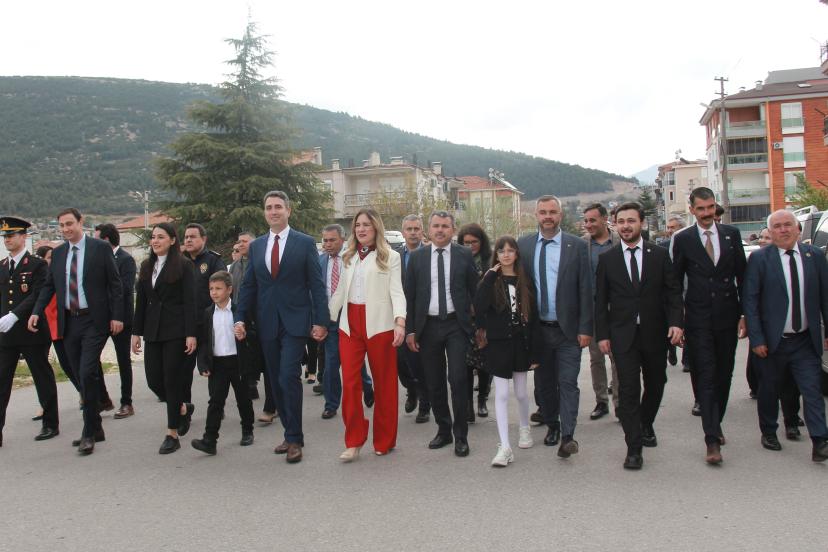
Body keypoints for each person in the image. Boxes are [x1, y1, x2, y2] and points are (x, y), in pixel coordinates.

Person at [234, 190, 328, 464]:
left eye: (278, 207)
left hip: (296, 321)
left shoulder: (304, 243)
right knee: (275, 381)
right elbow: (249, 285)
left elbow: (317, 285)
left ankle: (295, 439)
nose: (273, 211)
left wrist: (321, 321)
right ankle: (289, 433)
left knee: (288, 376)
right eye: (269, 207)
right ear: (264, 212)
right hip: (267, 322)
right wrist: (240, 318)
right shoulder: (257, 246)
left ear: (288, 211)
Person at [594, 203, 683, 470]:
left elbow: (673, 292)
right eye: (621, 221)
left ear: (641, 223)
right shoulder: (607, 259)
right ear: (615, 224)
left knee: (656, 383)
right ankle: (634, 448)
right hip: (623, 337)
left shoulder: (659, 255)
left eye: (631, 221)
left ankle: (646, 423)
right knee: (629, 390)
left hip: (655, 333)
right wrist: (603, 335)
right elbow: (601, 302)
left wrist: (676, 323)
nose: (626, 226)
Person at [30, 208, 124, 455]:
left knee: (86, 371)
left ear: (81, 222)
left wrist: (117, 315)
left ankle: (88, 432)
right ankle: (97, 427)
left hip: (94, 320)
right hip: (69, 322)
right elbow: (49, 286)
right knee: (78, 374)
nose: (66, 229)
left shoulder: (99, 249)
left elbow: (115, 284)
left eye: (69, 223)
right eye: (62, 225)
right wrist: (36, 312)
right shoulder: (59, 253)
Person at [743, 210, 828, 462]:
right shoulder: (760, 259)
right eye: (777, 226)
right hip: (773, 341)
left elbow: (826, 296)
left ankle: (820, 440)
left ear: (797, 229)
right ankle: (769, 431)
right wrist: (757, 339)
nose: (783, 230)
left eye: (788, 225)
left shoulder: (815, 256)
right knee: (769, 389)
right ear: (770, 232)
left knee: (812, 390)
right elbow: (750, 301)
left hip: (805, 340)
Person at [671, 187, 746, 465]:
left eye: (710, 207)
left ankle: (716, 422)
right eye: (701, 209)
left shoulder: (731, 235)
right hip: (698, 318)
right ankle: (711, 439)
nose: (706, 213)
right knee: (705, 374)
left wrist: (744, 314)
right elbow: (674, 283)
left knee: (724, 374)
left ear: (716, 207)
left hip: (727, 315)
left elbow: (743, 276)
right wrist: (677, 321)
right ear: (692, 210)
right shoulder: (684, 239)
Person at [518, 195, 592, 458]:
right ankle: (552, 424)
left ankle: (568, 436)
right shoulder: (524, 245)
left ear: (560, 215)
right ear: (536, 215)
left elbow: (586, 288)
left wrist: (586, 328)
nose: (547, 217)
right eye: (543, 212)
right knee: (544, 383)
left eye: (552, 212)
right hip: (538, 330)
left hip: (567, 330)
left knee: (568, 382)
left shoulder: (577, 246)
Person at [329, 209, 405, 461]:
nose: (361, 229)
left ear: (376, 228)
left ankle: (385, 440)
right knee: (350, 383)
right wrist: (325, 320)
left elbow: (397, 291)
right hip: (350, 324)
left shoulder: (391, 256)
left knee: (384, 384)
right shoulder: (348, 256)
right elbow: (340, 291)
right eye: (358, 225)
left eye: (366, 225)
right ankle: (354, 441)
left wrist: (400, 322)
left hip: (380, 325)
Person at [405, 210, 478, 457]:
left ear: (452, 229)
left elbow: (474, 291)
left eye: (445, 226)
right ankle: (444, 430)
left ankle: (461, 436)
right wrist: (411, 330)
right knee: (434, 382)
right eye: (436, 226)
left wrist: (479, 326)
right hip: (428, 327)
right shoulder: (417, 258)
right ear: (429, 229)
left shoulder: (464, 254)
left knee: (457, 380)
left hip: (456, 325)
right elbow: (410, 296)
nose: (440, 230)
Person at [131, 223, 197, 454]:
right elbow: (141, 302)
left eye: (161, 237)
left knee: (171, 380)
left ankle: (172, 433)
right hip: (153, 330)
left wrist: (191, 333)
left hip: (176, 330)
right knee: (153, 380)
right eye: (153, 237)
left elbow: (190, 301)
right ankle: (181, 407)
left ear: (172, 240)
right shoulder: (147, 266)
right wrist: (136, 332)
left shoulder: (184, 265)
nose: (156, 241)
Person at [474, 236, 537, 467]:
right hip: (498, 344)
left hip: (521, 343)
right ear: (496, 254)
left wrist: (535, 352)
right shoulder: (490, 280)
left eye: (511, 250)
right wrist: (489, 277)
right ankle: (505, 446)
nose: (506, 254)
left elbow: (534, 317)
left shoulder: (525, 279)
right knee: (501, 394)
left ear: (517, 254)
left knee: (520, 392)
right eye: (502, 251)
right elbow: (479, 306)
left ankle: (524, 427)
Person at [0, 217, 59, 446]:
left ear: (24, 237)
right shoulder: (2, 266)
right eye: (5, 236)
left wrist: (15, 315)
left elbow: (38, 294)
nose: (7, 240)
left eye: (11, 235)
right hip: (7, 335)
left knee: (42, 377)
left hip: (31, 331)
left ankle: (50, 423)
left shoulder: (37, 265)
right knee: (2, 381)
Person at [191, 271, 255, 454]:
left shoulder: (239, 311)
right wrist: (203, 364)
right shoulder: (208, 313)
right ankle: (209, 440)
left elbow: (253, 333)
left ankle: (247, 430)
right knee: (215, 402)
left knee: (243, 399)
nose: (214, 292)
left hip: (237, 362)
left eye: (218, 288)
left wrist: (245, 335)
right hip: (217, 363)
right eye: (211, 289)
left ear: (229, 290)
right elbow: (204, 341)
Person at [317, 224, 374, 420]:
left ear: (342, 239)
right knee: (331, 363)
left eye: (332, 240)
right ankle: (331, 404)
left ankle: (367, 386)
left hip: (352, 317)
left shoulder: (353, 258)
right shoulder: (320, 261)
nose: (328, 244)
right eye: (325, 240)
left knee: (354, 362)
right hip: (331, 320)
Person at [94, 223, 136, 419]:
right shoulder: (97, 260)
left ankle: (127, 402)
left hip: (121, 319)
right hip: (100, 317)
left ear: (106, 240)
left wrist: (116, 315)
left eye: (96, 239)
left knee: (123, 360)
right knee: (91, 358)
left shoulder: (125, 259)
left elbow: (125, 289)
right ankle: (103, 398)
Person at [582, 202, 620, 420]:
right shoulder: (582, 245)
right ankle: (601, 401)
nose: (588, 225)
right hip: (593, 309)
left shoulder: (619, 242)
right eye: (586, 221)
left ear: (605, 219)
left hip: (617, 309)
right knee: (596, 358)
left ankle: (620, 403)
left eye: (592, 220)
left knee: (618, 358)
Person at [393, 214, 430, 423]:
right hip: (400, 315)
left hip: (425, 316)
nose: (413, 233)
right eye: (409, 229)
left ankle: (425, 403)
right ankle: (412, 389)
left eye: (417, 229)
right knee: (400, 360)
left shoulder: (430, 254)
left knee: (421, 362)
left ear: (422, 231)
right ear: (403, 232)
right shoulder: (394, 256)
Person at [182, 223, 225, 404]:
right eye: (186, 237)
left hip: (208, 323)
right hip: (185, 324)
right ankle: (184, 408)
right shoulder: (180, 261)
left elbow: (222, 291)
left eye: (193, 237)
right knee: (183, 370)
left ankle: (216, 406)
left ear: (204, 239)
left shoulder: (213, 260)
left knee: (211, 367)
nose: (188, 240)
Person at [457, 223, 492, 422]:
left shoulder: (490, 260)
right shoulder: (457, 259)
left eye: (474, 241)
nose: (470, 246)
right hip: (464, 319)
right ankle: (468, 405)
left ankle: (482, 400)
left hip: (485, 318)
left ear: (482, 242)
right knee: (466, 364)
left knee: (484, 363)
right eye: (466, 242)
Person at [229, 230, 265, 403]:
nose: (240, 244)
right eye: (239, 241)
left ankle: (256, 379)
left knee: (258, 348)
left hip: (258, 313)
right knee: (244, 349)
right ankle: (250, 382)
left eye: (245, 241)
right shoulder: (235, 266)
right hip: (240, 312)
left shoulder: (260, 263)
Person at [660, 216, 686, 368]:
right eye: (668, 227)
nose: (670, 231)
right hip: (669, 291)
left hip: (686, 290)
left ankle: (686, 358)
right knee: (669, 322)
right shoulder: (663, 247)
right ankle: (670, 348)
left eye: (673, 227)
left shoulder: (688, 243)